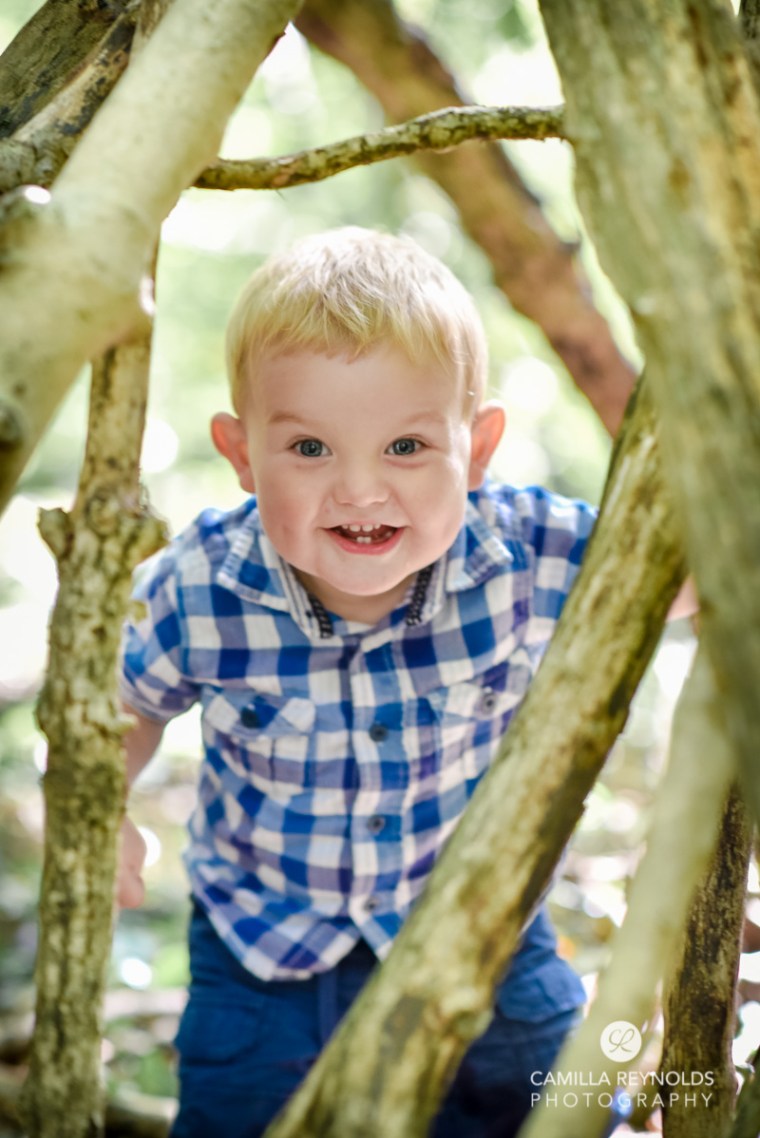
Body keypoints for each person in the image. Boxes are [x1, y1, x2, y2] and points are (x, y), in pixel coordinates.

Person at [118, 227, 599, 1138]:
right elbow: (121, 699)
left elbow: (682, 570)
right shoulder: (202, 583)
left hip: (482, 930)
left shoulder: (527, 553)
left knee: (555, 1111)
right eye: (309, 450)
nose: (361, 489)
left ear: (480, 446)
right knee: (237, 1117)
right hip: (264, 943)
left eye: (408, 446)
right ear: (241, 453)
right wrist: (105, 801)